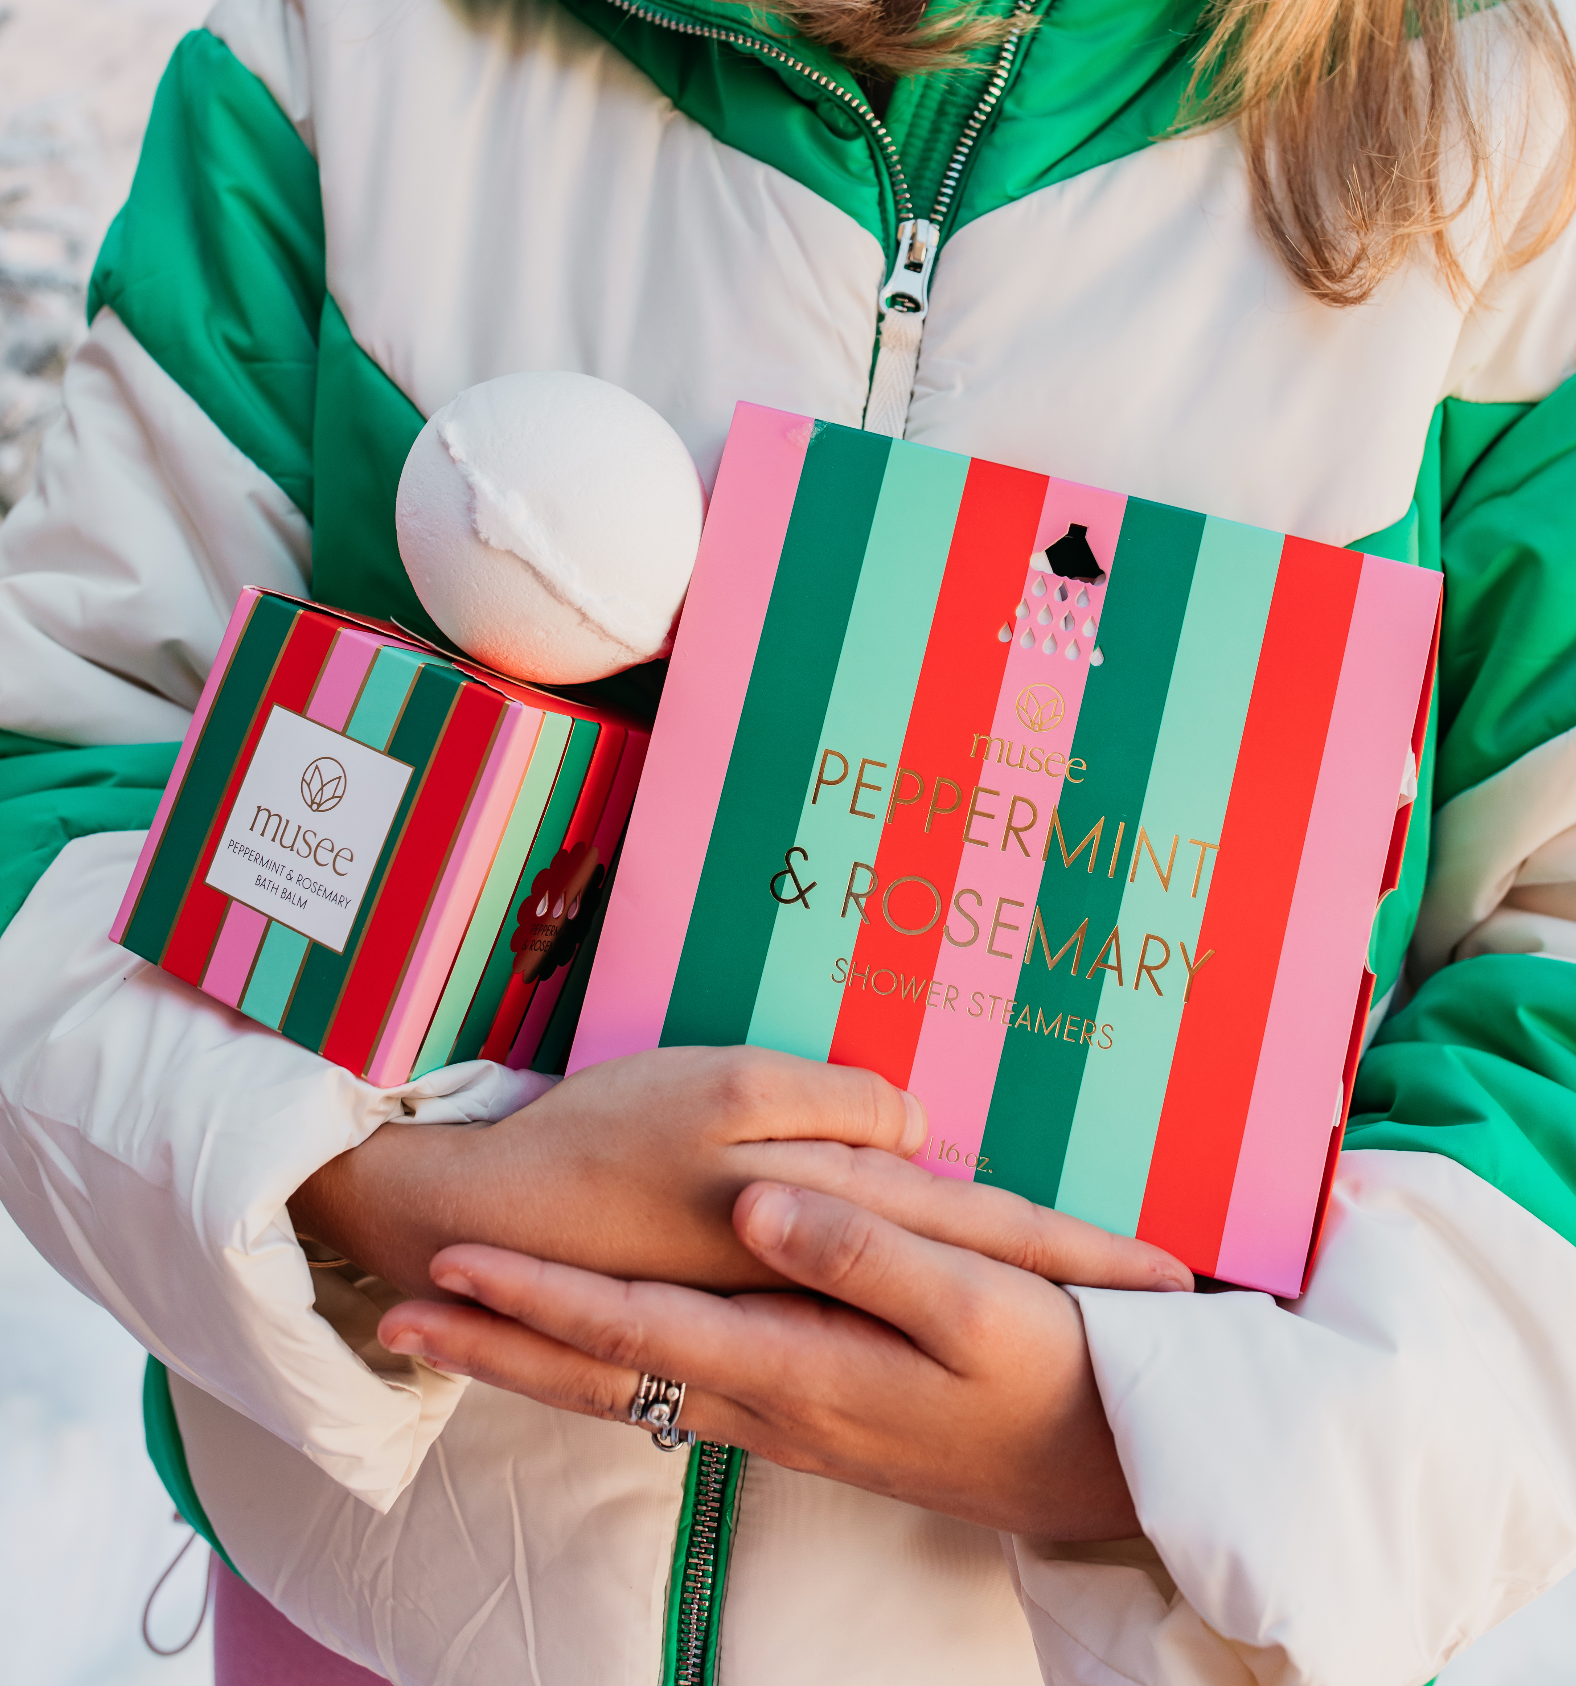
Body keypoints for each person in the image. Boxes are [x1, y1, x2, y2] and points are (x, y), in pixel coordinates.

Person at [2, 0, 1576, 1680]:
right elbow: (67, 785)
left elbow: (1544, 964)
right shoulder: (355, 51)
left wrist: (1141, 1445)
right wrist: (382, 1193)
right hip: (381, 1624)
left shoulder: (1505, 173)